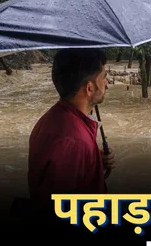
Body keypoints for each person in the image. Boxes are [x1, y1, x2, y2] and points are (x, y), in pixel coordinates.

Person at [27, 48, 116, 214]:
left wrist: (96, 161)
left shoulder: (56, 117)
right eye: (104, 77)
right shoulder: (74, 142)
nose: (107, 83)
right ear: (89, 88)